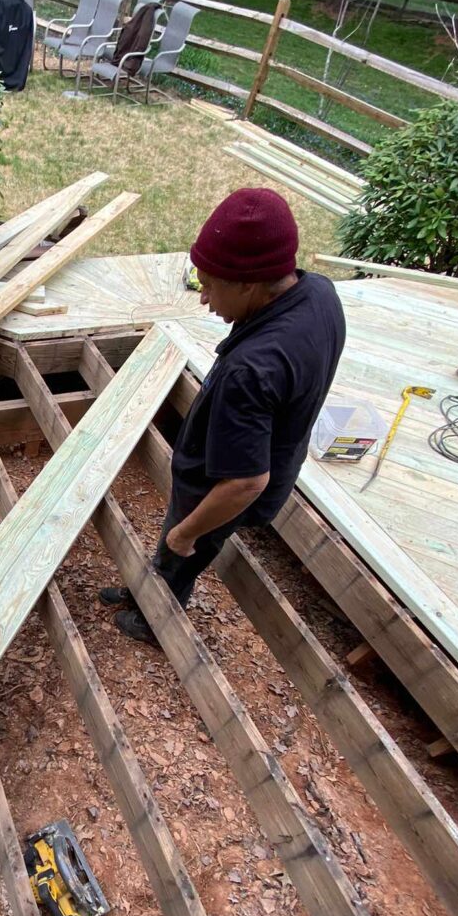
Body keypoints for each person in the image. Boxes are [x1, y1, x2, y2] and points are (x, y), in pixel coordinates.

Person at [101, 187, 346, 643]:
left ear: (249, 284)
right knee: (180, 536)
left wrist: (186, 533)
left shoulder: (252, 369)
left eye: (210, 285)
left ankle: (155, 618)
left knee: (188, 543)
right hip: (259, 457)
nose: (203, 299)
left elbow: (245, 484)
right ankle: (145, 589)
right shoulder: (319, 294)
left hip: (227, 485)